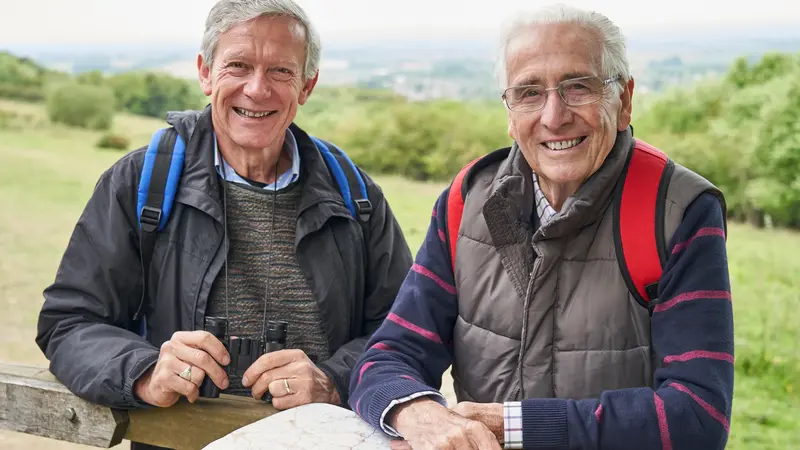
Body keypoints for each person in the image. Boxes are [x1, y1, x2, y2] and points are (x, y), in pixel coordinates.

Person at [349, 5, 734, 450]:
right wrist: (414, 412)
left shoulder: (677, 210)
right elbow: (388, 355)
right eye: (529, 92)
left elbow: (698, 417)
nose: (554, 116)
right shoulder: (467, 198)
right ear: (510, 113)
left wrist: (514, 427)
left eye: (578, 87)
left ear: (624, 100)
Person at [35, 0, 412, 445]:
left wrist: (333, 379)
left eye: (281, 72)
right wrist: (144, 371)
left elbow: (403, 331)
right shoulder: (140, 182)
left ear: (306, 86)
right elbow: (68, 322)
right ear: (205, 72)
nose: (257, 89)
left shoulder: (356, 195)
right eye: (238, 65)